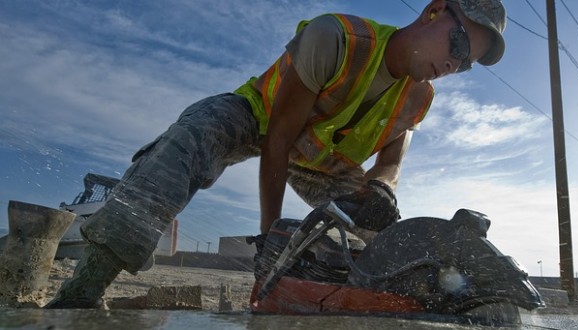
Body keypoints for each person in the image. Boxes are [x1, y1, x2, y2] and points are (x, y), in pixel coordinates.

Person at [46, 0, 507, 308]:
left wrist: (383, 188)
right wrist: (269, 240)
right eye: (459, 44)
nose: (454, 64)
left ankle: (355, 299)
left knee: (375, 227)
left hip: (320, 157)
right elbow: (278, 140)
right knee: (188, 142)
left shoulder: (418, 98)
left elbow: (390, 161)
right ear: (434, 11)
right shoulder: (339, 38)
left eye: (466, 64)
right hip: (259, 118)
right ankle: (84, 288)